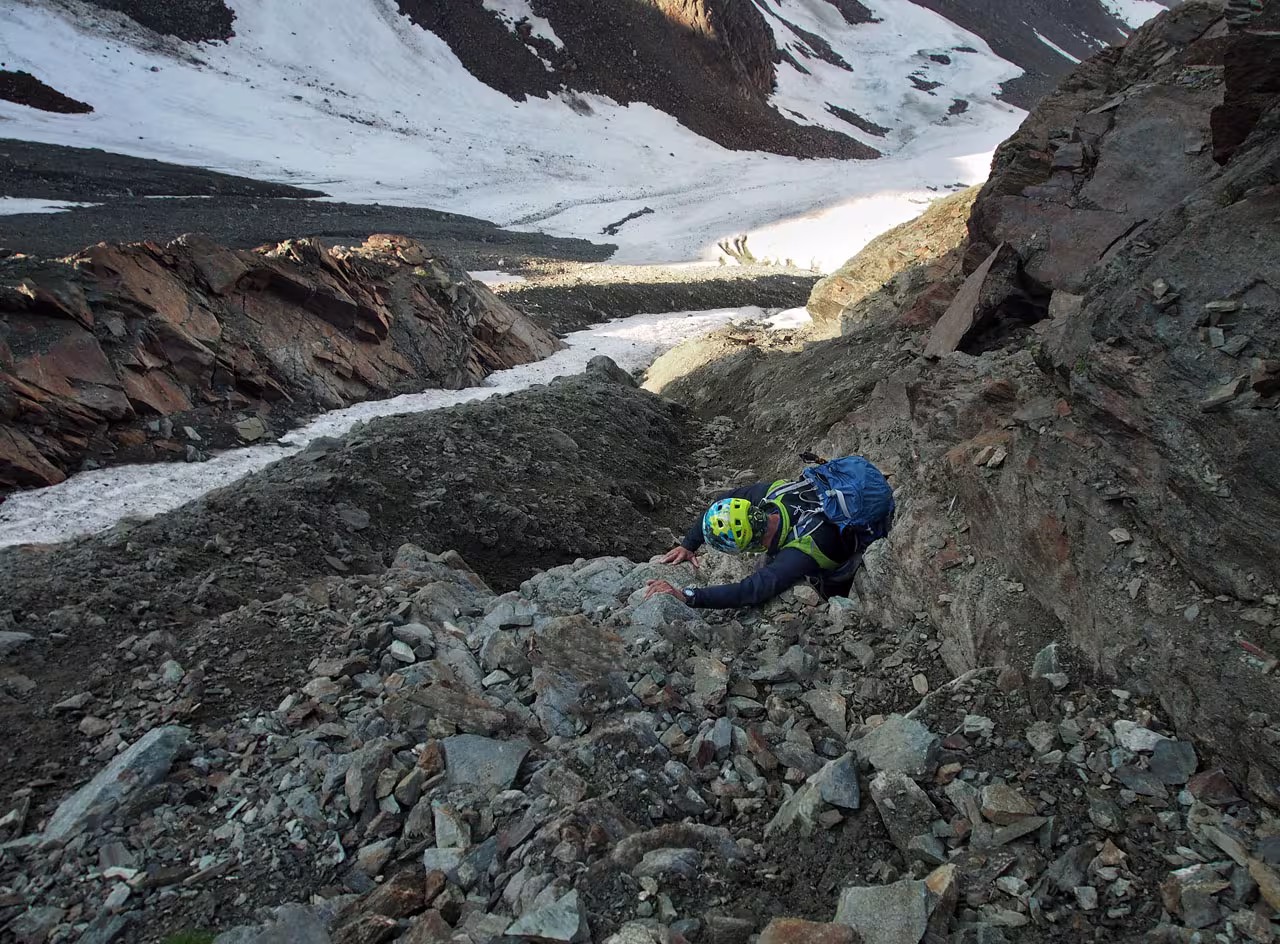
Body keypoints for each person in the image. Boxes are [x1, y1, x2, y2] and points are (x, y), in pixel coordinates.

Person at [644, 467, 892, 609]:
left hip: (839, 550)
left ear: (750, 546)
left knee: (831, 583)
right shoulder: (772, 493)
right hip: (845, 489)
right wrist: (689, 544)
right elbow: (723, 500)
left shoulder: (801, 551)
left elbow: (753, 589)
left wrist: (688, 596)